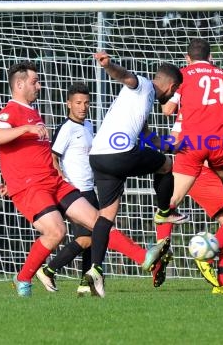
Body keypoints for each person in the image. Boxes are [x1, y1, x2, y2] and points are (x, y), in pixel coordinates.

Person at [0, 61, 165, 297]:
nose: (40, 86)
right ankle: (24, 277)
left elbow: (23, 155)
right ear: (19, 84)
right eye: (34, 81)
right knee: (56, 231)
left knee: (98, 222)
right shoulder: (12, 110)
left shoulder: (32, 111)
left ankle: (144, 258)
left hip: (53, 181)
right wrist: (25, 131)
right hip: (32, 187)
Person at [33, 83, 158, 296]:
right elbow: (53, 156)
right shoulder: (67, 128)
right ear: (68, 104)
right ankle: (48, 269)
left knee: (91, 240)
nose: (83, 107)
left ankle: (84, 282)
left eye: (86, 103)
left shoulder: (89, 126)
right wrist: (60, 176)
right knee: (90, 237)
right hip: (75, 192)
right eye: (78, 103)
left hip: (90, 189)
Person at [86, 51, 185, 297]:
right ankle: (165, 213)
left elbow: (145, 134)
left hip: (97, 157)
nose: (173, 96)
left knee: (106, 216)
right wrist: (109, 66)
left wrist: (167, 145)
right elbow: (127, 77)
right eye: (175, 91)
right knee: (166, 166)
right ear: (171, 86)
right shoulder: (144, 86)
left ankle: (95, 270)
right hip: (119, 155)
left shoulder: (143, 102)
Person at [162, 38, 223, 295]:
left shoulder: (183, 77)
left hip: (194, 144)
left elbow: (168, 109)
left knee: (170, 201)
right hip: (221, 142)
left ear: (187, 58)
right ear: (210, 57)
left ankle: (160, 250)